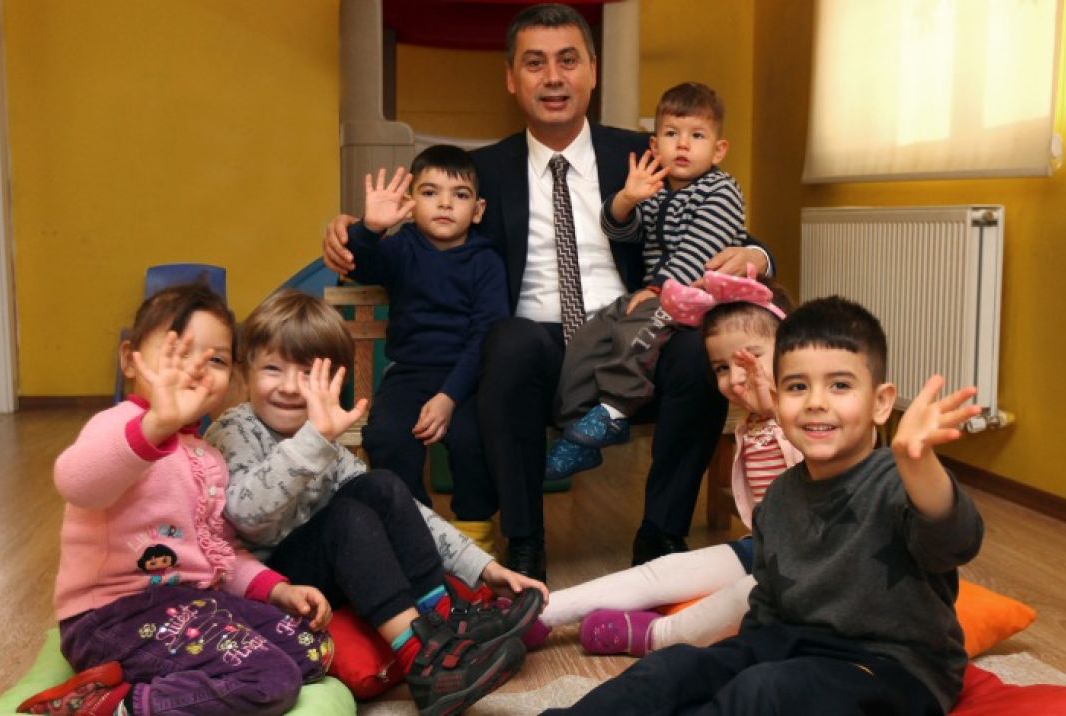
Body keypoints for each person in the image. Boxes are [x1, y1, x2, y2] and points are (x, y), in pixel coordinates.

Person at [322, 3, 774, 580]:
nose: (553, 77)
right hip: (531, 353)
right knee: (509, 341)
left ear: (593, 71)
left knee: (695, 350)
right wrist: (352, 233)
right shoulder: (480, 173)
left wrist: (757, 255)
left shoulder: (648, 153)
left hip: (635, 340)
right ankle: (525, 538)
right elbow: (415, 241)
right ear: (512, 78)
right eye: (535, 63)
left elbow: (714, 213)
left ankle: (661, 535)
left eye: (568, 61)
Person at [547, 296, 986, 715]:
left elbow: (954, 541)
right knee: (672, 669)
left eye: (840, 385)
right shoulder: (780, 497)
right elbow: (769, 603)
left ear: (881, 403)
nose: (816, 401)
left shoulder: (899, 480)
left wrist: (919, 465)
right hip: (791, 644)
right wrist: (734, 660)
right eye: (797, 387)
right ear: (777, 399)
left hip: (891, 668)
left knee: (763, 692)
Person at [205, 289, 545, 716]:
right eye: (272, 369)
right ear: (245, 373)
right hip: (270, 585)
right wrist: (312, 442)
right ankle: (423, 663)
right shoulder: (235, 429)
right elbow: (247, 516)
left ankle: (446, 622)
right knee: (347, 519)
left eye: (309, 374)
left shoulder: (324, 443)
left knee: (383, 485)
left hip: (323, 572)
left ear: (335, 382)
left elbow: (409, 511)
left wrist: (486, 569)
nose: (289, 387)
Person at [17, 283, 333, 716]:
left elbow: (219, 551)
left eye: (216, 359)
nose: (196, 368)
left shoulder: (208, 455)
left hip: (192, 604)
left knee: (311, 647)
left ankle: (157, 678)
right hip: (111, 618)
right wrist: (155, 427)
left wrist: (278, 590)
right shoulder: (121, 427)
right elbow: (77, 483)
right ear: (130, 359)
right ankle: (117, 705)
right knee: (270, 679)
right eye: (178, 351)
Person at [532, 268, 798, 656]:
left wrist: (779, 414)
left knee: (745, 596)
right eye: (721, 368)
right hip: (764, 549)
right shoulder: (752, 420)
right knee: (663, 571)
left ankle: (657, 634)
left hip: (814, 565)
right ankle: (540, 613)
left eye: (750, 358)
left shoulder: (815, 414)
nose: (734, 378)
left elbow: (824, 486)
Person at [546, 81, 750, 481]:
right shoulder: (656, 190)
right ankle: (576, 426)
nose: (683, 145)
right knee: (592, 335)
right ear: (655, 146)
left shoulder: (722, 191)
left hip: (698, 296)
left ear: (718, 149)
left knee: (637, 331)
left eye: (697, 136)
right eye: (672, 134)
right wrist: (627, 199)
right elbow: (620, 231)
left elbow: (699, 250)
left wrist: (658, 289)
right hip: (654, 294)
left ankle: (614, 411)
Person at [341, 145, 508, 553]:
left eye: (460, 195)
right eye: (430, 192)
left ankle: (474, 535)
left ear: (478, 210)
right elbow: (360, 264)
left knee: (475, 438)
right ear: (410, 203)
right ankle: (414, 526)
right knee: (387, 437)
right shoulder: (402, 247)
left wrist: (449, 397)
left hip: (469, 377)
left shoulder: (486, 262)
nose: (445, 204)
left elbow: (486, 335)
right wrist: (370, 229)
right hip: (409, 373)